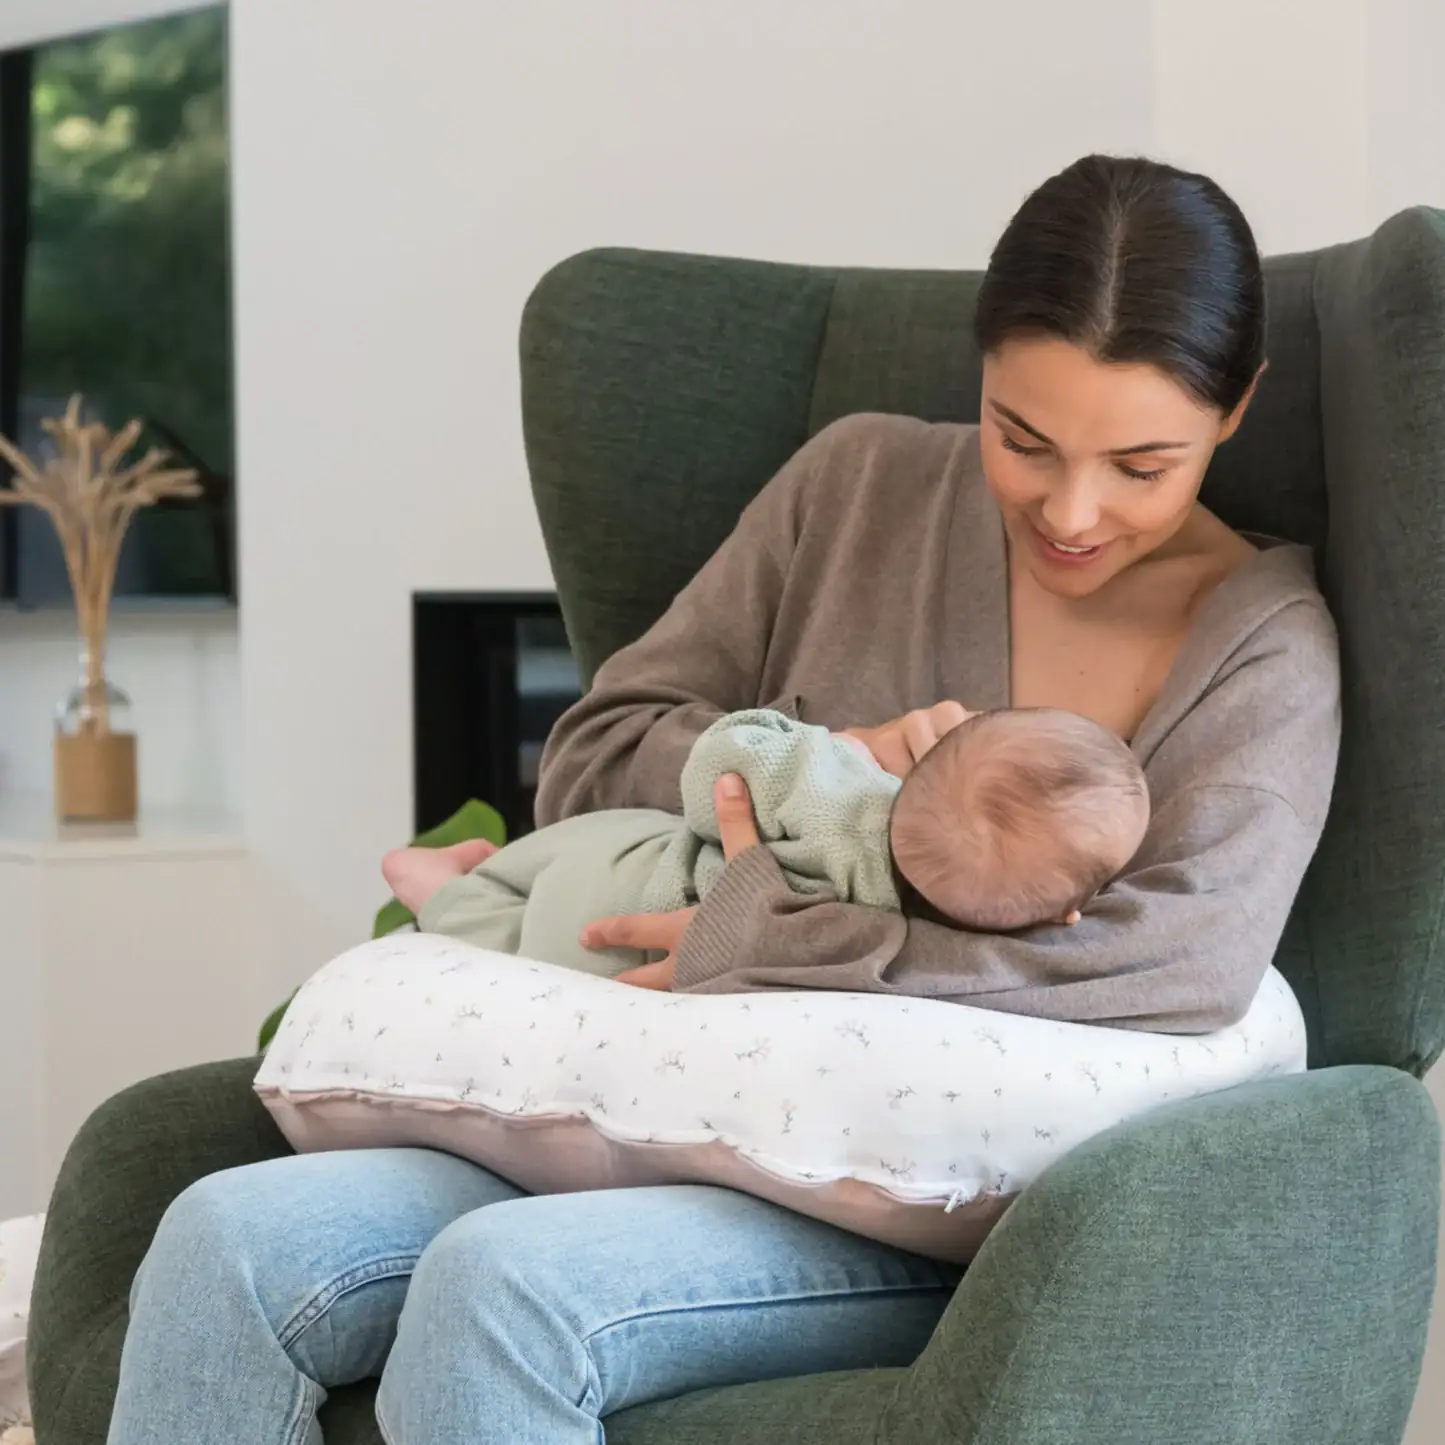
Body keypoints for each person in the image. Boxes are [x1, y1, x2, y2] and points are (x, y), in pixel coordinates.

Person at [106, 155, 1340, 1444]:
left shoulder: (1262, 651)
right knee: (224, 1239)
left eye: (1141, 465)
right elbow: (592, 755)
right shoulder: (853, 486)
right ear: (977, 372)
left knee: (502, 1288)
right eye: (1020, 438)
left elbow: (1184, 957)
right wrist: (804, 756)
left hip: (909, 1194)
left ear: (1235, 408)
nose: (1071, 510)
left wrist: (773, 932)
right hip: (650, 1106)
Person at [381, 705, 1151, 973]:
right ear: (1063, 917)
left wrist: (833, 741)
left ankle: (428, 877)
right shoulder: (896, 938)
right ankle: (459, 881)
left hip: (628, 880)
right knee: (514, 925)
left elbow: (715, 765)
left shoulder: (836, 789)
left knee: (507, 900)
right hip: (617, 936)